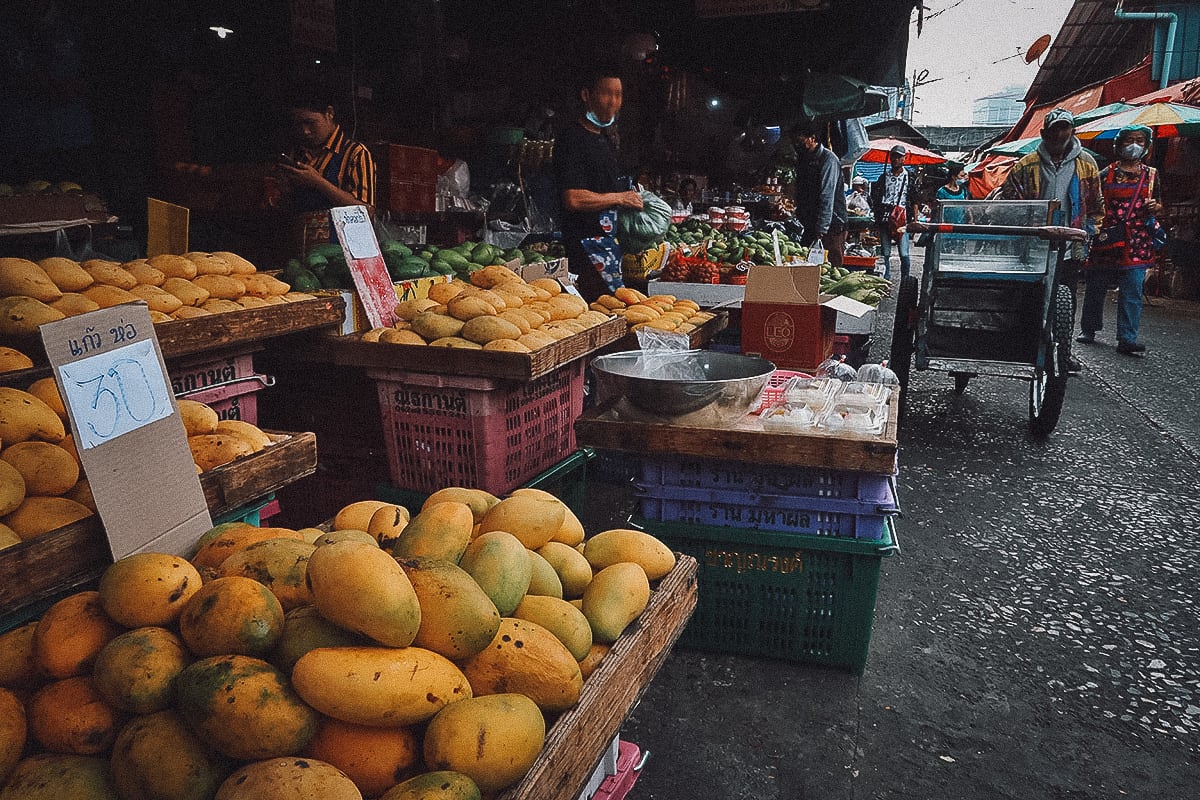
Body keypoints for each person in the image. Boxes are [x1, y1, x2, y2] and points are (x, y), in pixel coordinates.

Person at [1000, 107, 1104, 372]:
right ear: (1045, 133)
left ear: (1072, 131)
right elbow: (1009, 200)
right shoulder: (1027, 164)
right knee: (1031, 294)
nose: (1060, 134)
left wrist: (1089, 233)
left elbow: (1096, 206)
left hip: (1071, 245)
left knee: (1065, 300)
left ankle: (1062, 351)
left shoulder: (1087, 164)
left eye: (1065, 128)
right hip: (1033, 245)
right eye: (1055, 129)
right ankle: (1026, 344)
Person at [554, 65, 643, 303]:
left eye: (618, 95)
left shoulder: (604, 139)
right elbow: (573, 198)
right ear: (586, 95)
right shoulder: (572, 138)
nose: (613, 102)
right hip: (584, 252)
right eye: (606, 93)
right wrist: (620, 198)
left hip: (607, 248)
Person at [1077, 125, 1163, 355]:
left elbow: (1161, 204)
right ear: (1119, 144)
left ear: (1146, 146)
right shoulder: (1106, 173)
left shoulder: (1152, 175)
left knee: (1133, 288)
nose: (1134, 145)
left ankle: (1127, 337)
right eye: (1129, 140)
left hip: (1137, 240)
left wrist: (1156, 207)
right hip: (1107, 238)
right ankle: (1088, 329)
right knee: (1096, 285)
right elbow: (1092, 201)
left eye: (1139, 141)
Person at [277, 87, 376, 214]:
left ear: (329, 113)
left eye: (311, 123)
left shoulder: (356, 153)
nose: (305, 131)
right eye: (298, 124)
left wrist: (318, 182)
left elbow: (368, 211)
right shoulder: (298, 153)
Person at [789, 118, 848, 270]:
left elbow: (827, 195)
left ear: (812, 138)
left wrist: (822, 228)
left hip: (831, 225)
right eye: (795, 141)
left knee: (830, 267)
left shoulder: (829, 160)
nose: (797, 145)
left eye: (800, 141)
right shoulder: (804, 159)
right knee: (808, 266)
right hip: (809, 222)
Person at [870, 144, 915, 279]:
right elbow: (876, 198)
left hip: (902, 219)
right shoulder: (883, 177)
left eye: (899, 157)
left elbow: (914, 199)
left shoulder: (909, 177)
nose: (896, 159)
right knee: (886, 251)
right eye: (894, 156)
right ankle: (886, 276)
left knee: (904, 253)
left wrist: (915, 220)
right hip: (885, 217)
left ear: (904, 159)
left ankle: (905, 279)